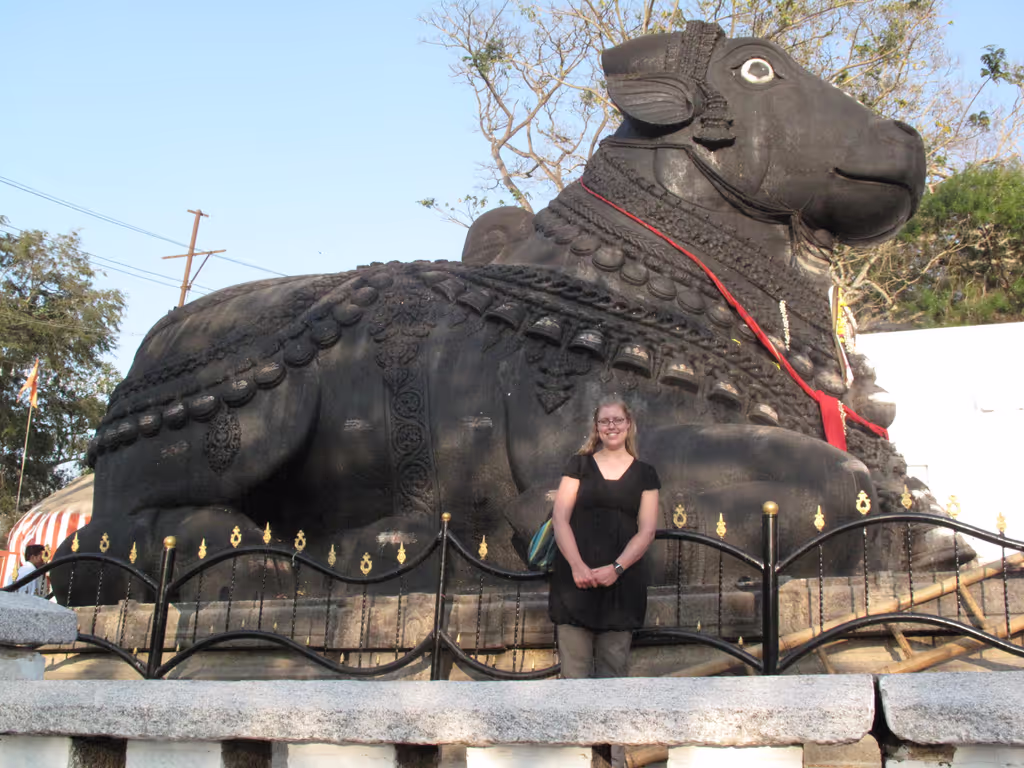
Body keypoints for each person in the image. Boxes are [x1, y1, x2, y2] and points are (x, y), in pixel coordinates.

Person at [549, 396, 660, 679]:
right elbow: (560, 518)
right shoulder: (579, 466)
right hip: (575, 583)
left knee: (614, 673)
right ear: (596, 427)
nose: (612, 426)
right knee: (574, 673)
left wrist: (617, 568)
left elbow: (646, 530)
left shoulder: (646, 474)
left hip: (620, 587)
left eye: (617, 420)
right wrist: (577, 566)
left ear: (629, 424)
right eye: (605, 421)